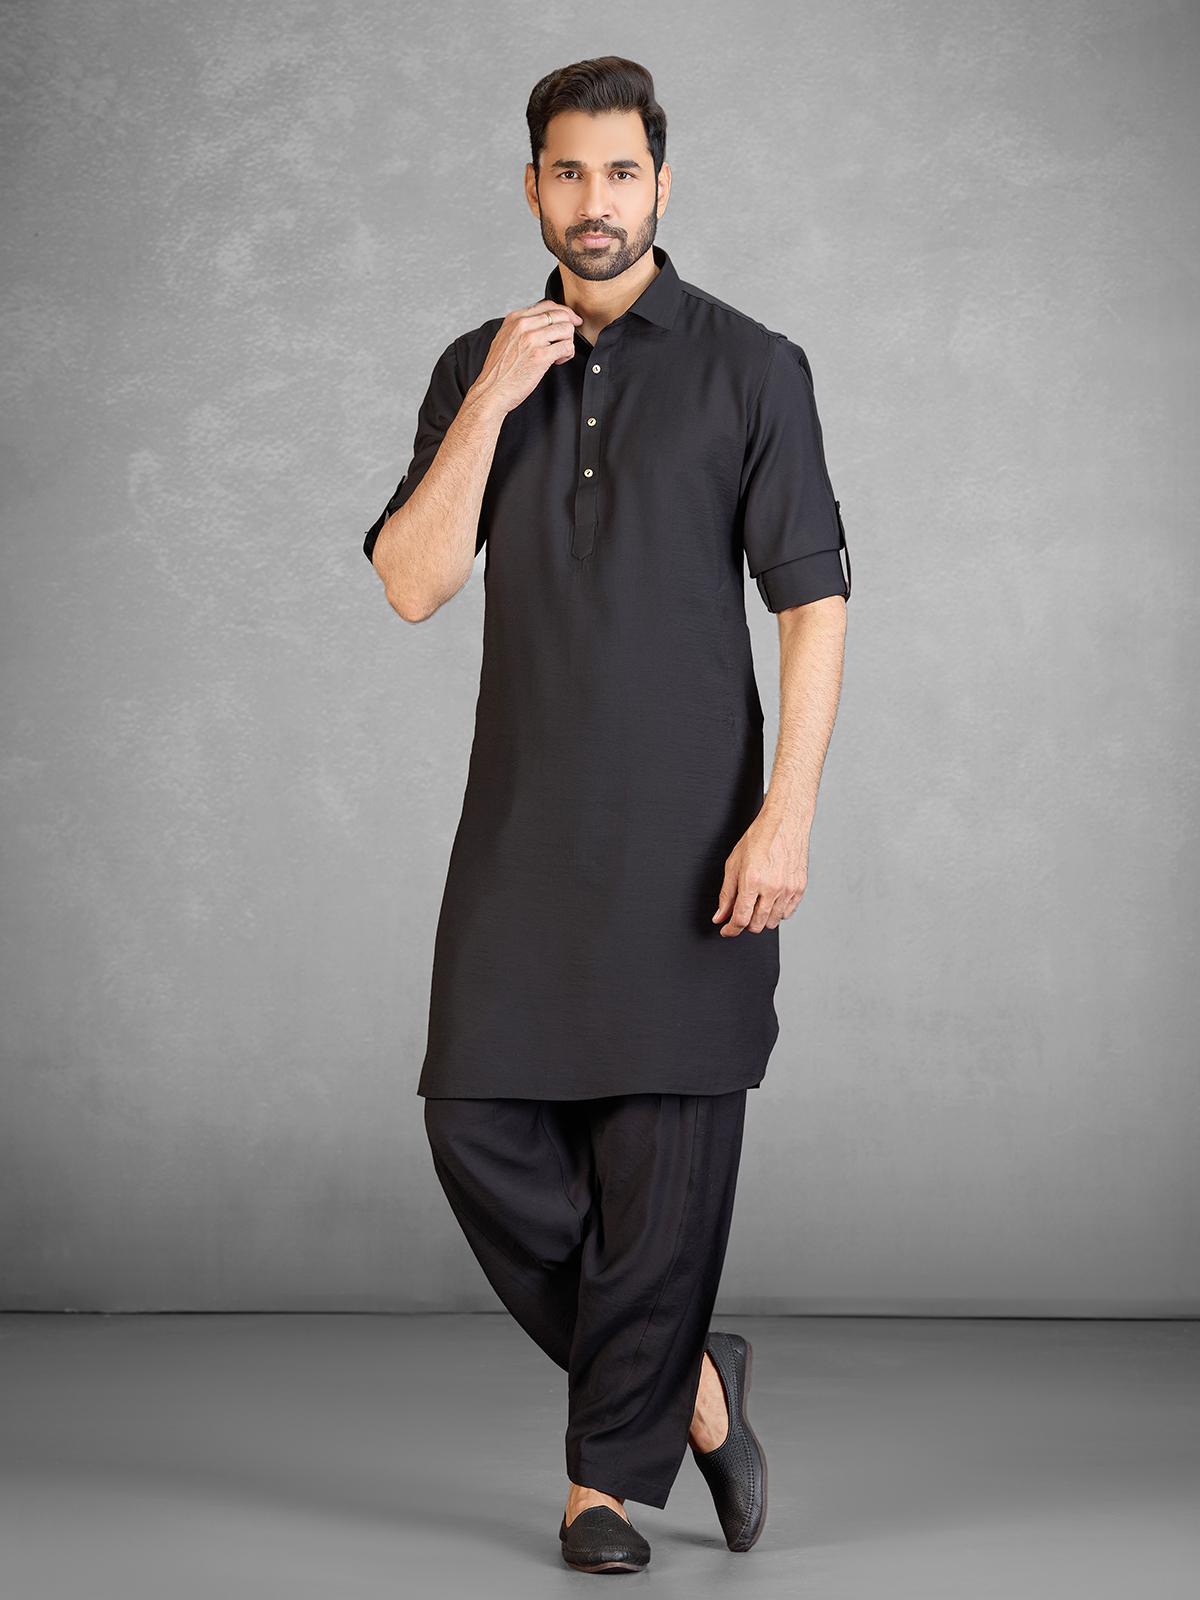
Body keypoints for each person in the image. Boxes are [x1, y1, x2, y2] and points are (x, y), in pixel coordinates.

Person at [363, 56, 849, 1575]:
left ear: (661, 183)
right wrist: (494, 399)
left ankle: (599, 1490)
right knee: (473, 1124)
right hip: (523, 841)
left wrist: (787, 811)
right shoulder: (476, 365)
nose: (595, 201)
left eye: (620, 172)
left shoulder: (755, 367)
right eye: (567, 173)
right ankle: (695, 1387)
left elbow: (814, 604)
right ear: (532, 187)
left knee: (656, 1182)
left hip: (696, 846)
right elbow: (411, 583)